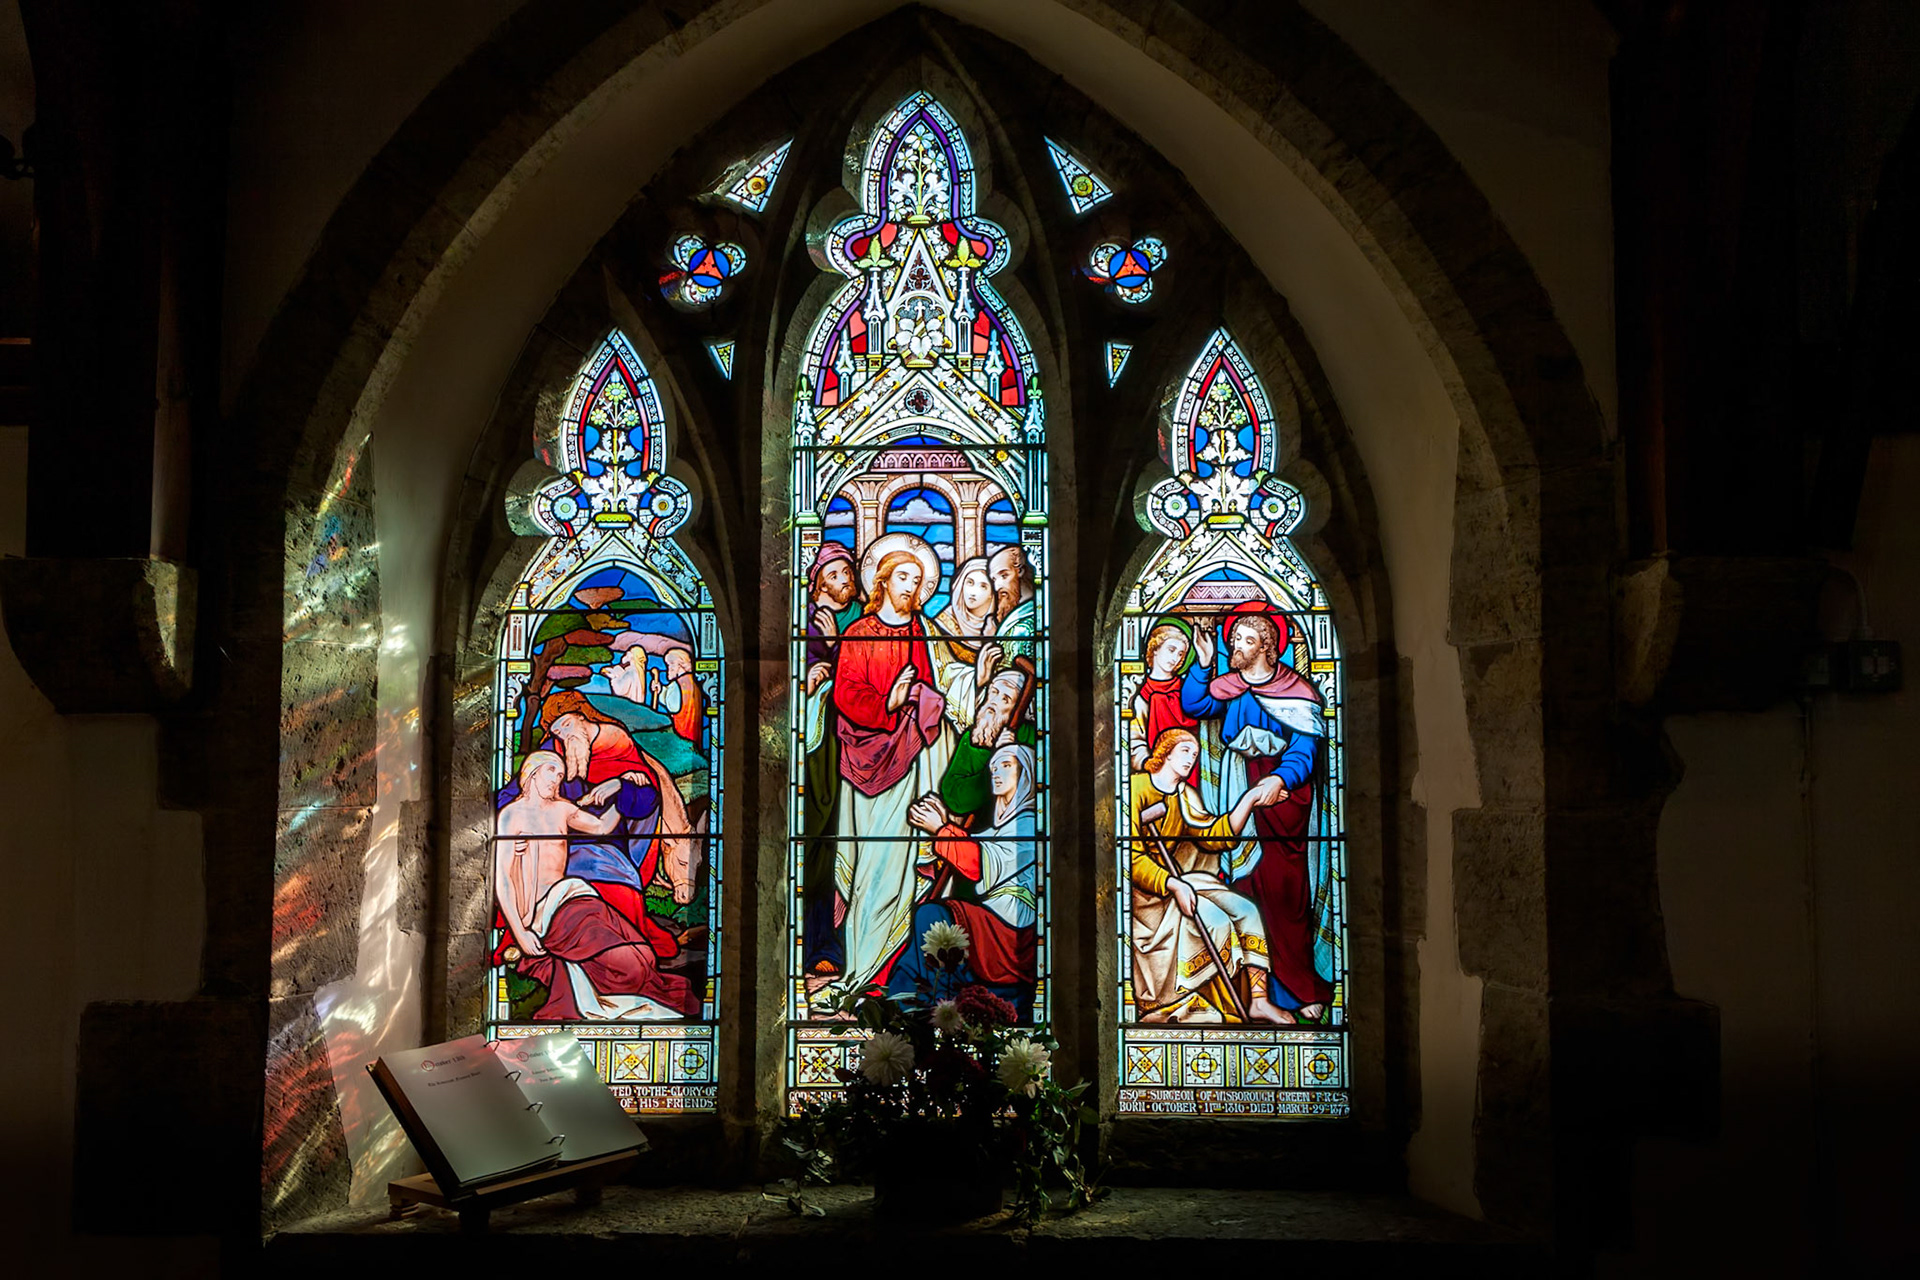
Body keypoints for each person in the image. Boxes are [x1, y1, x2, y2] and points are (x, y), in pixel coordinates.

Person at [1179, 602, 1332, 1021]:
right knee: (1244, 890)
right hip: (1239, 790)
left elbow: (1305, 747)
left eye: (1244, 640)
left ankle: (1299, 989)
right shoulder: (1231, 687)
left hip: (1283, 804)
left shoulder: (1296, 692)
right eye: (1233, 640)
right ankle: (1253, 992)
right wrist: (1204, 663)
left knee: (1287, 898)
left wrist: (1281, 779)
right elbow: (1194, 705)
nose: (1236, 646)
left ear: (1267, 645)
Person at [830, 534, 955, 997]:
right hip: (864, 760)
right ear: (882, 580)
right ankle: (857, 968)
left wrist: (917, 698)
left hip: (909, 757)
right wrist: (891, 701)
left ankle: (880, 972)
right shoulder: (858, 634)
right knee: (869, 865)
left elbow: (928, 690)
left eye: (918, 580)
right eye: (903, 576)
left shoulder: (917, 629)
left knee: (899, 868)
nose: (911, 586)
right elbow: (846, 695)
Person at [494, 751, 693, 1019]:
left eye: (561, 774)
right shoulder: (511, 816)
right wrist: (520, 933)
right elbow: (503, 878)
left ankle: (629, 987)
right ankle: (617, 992)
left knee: (641, 956)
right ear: (531, 772)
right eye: (552, 770)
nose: (558, 778)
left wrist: (623, 789)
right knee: (629, 965)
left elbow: (601, 827)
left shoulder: (562, 809)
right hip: (543, 913)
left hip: (572, 895)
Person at [1128, 728, 1290, 1023]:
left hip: (1182, 880)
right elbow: (1132, 859)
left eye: (1196, 754)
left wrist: (1250, 799)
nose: (1191, 758)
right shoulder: (1135, 789)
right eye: (1185, 751)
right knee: (1214, 921)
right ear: (1164, 751)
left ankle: (1258, 1000)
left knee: (1246, 910)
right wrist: (1172, 884)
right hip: (1148, 896)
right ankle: (1192, 999)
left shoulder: (1185, 795)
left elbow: (1213, 836)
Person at [892, 742, 1039, 1019]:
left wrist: (940, 828)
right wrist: (945, 823)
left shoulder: (1029, 824)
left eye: (1006, 766)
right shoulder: (1004, 827)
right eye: (993, 767)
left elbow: (977, 863)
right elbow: (975, 848)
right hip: (995, 923)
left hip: (1011, 934)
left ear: (1027, 775)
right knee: (930, 924)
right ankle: (909, 1006)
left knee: (932, 916)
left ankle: (923, 1005)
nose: (995, 773)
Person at [799, 542, 863, 978]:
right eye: (839, 574)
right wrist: (809, 675)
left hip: (844, 742)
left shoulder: (855, 622)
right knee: (812, 841)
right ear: (820, 578)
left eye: (850, 575)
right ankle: (811, 942)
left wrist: (838, 651)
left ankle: (831, 943)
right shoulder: (800, 619)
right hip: (811, 746)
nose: (848, 582)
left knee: (836, 843)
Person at [938, 668, 1033, 830]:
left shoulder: (1029, 736)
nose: (994, 701)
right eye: (994, 692)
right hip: (978, 834)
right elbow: (954, 796)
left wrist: (1011, 752)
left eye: (1005, 699)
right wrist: (994, 757)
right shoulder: (973, 737)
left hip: (1019, 828)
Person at [928, 555, 1001, 736]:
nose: (973, 592)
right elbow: (938, 679)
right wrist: (977, 679)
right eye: (969, 582)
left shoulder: (1001, 629)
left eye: (983, 586)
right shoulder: (940, 627)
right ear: (960, 583)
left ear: (993, 592)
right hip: (947, 726)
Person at [1130, 622, 1199, 783]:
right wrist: (1150, 764)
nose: (1175, 658)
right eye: (1171, 650)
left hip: (1192, 768)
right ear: (1155, 648)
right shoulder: (1141, 695)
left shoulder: (1187, 690)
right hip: (1158, 774)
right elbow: (1135, 738)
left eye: (1181, 654)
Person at [987, 544, 1039, 667]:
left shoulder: (1032, 620)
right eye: (994, 579)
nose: (997, 587)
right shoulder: (1011, 620)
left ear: (1020, 571)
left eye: (1004, 575)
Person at [649, 645, 705, 746]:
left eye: (670, 665)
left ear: (680, 665)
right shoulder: (694, 684)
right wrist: (661, 690)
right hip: (694, 735)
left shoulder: (677, 684)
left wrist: (660, 693)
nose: (668, 669)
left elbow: (673, 706)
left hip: (681, 734)